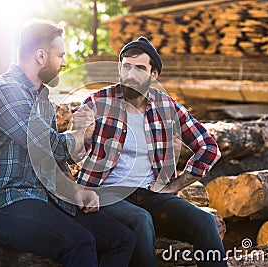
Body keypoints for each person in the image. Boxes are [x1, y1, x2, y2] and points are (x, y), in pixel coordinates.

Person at [0, 18, 135, 267]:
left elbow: (50, 163)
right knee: (80, 242)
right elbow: (42, 146)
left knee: (122, 239)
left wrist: (77, 192)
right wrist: (78, 134)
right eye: (61, 55)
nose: (64, 63)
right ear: (41, 56)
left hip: (39, 199)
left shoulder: (42, 102)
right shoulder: (4, 91)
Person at [77, 36, 227, 267]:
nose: (131, 74)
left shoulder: (167, 107)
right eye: (126, 66)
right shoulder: (98, 102)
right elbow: (67, 148)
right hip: (107, 194)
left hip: (152, 194)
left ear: (153, 74)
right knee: (140, 220)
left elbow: (208, 148)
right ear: (119, 68)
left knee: (205, 221)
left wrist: (174, 186)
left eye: (140, 68)